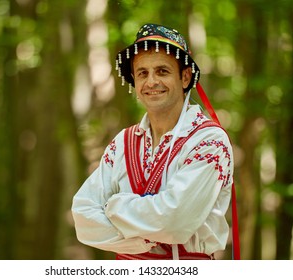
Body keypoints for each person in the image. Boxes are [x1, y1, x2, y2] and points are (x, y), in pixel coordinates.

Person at [72, 23, 234, 260]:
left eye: (162, 71)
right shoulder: (123, 142)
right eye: (143, 73)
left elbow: (176, 221)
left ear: (185, 77)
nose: (151, 82)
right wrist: (143, 240)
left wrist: (115, 206)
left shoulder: (209, 141)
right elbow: (83, 215)